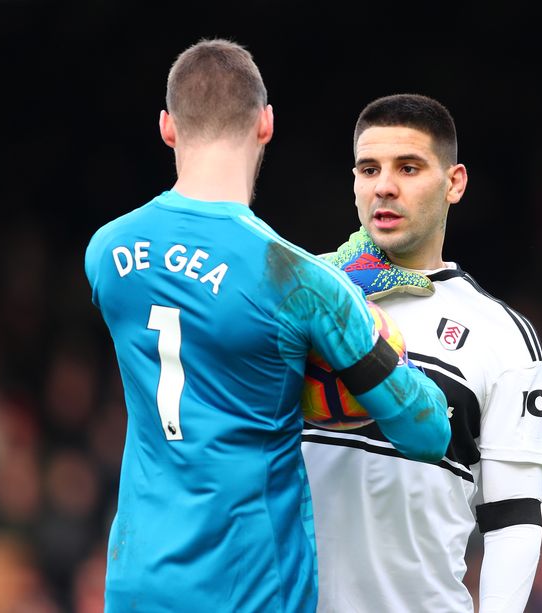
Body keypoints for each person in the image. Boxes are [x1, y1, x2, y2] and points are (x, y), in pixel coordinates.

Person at [83, 42, 451, 613]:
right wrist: (361, 323)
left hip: (137, 582)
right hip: (249, 587)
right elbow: (427, 432)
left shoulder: (107, 252)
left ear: (167, 127)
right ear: (266, 124)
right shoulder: (300, 281)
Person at [301, 94, 542, 613]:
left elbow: (512, 520)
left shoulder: (504, 337)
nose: (384, 186)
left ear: (454, 183)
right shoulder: (300, 296)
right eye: (369, 169)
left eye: (408, 168)